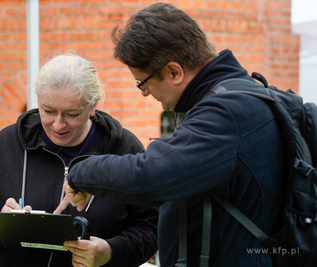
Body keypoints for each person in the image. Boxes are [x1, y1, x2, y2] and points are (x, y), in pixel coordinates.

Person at [54, 3, 287, 267]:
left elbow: (152, 175)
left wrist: (80, 173)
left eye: (143, 82)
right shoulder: (250, 95)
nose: (144, 93)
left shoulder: (227, 113)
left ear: (174, 72)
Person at [0, 53, 158, 267]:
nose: (58, 125)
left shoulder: (125, 149)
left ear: (92, 107)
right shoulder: (7, 143)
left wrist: (111, 251)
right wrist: (1, 225)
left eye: (72, 114)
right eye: (48, 111)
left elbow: (150, 230)